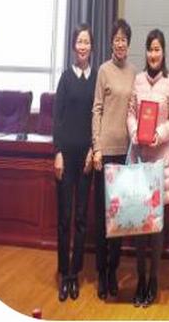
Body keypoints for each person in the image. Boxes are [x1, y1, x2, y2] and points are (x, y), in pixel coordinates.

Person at [126, 29, 169, 307]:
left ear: (163, 52)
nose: (153, 54)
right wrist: (135, 132)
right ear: (146, 52)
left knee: (156, 227)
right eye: (150, 49)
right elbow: (131, 113)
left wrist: (159, 133)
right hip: (139, 160)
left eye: (157, 49)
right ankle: (140, 279)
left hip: (159, 162)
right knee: (139, 225)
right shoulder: (137, 80)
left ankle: (154, 280)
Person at [92, 18, 136, 300]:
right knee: (101, 216)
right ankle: (101, 272)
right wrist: (96, 147)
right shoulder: (103, 71)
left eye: (124, 39)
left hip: (125, 153)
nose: (120, 43)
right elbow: (96, 109)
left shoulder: (134, 73)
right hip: (105, 151)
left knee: (119, 217)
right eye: (117, 39)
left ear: (129, 44)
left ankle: (113, 271)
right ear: (111, 42)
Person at [53, 23, 97, 302]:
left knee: (81, 218)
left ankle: (74, 274)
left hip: (86, 160)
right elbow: (57, 118)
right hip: (65, 159)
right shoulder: (65, 78)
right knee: (64, 218)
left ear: (92, 47)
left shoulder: (95, 79)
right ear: (73, 46)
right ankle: (63, 272)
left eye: (86, 42)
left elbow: (98, 117)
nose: (83, 46)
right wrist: (57, 152)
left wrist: (94, 149)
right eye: (79, 42)